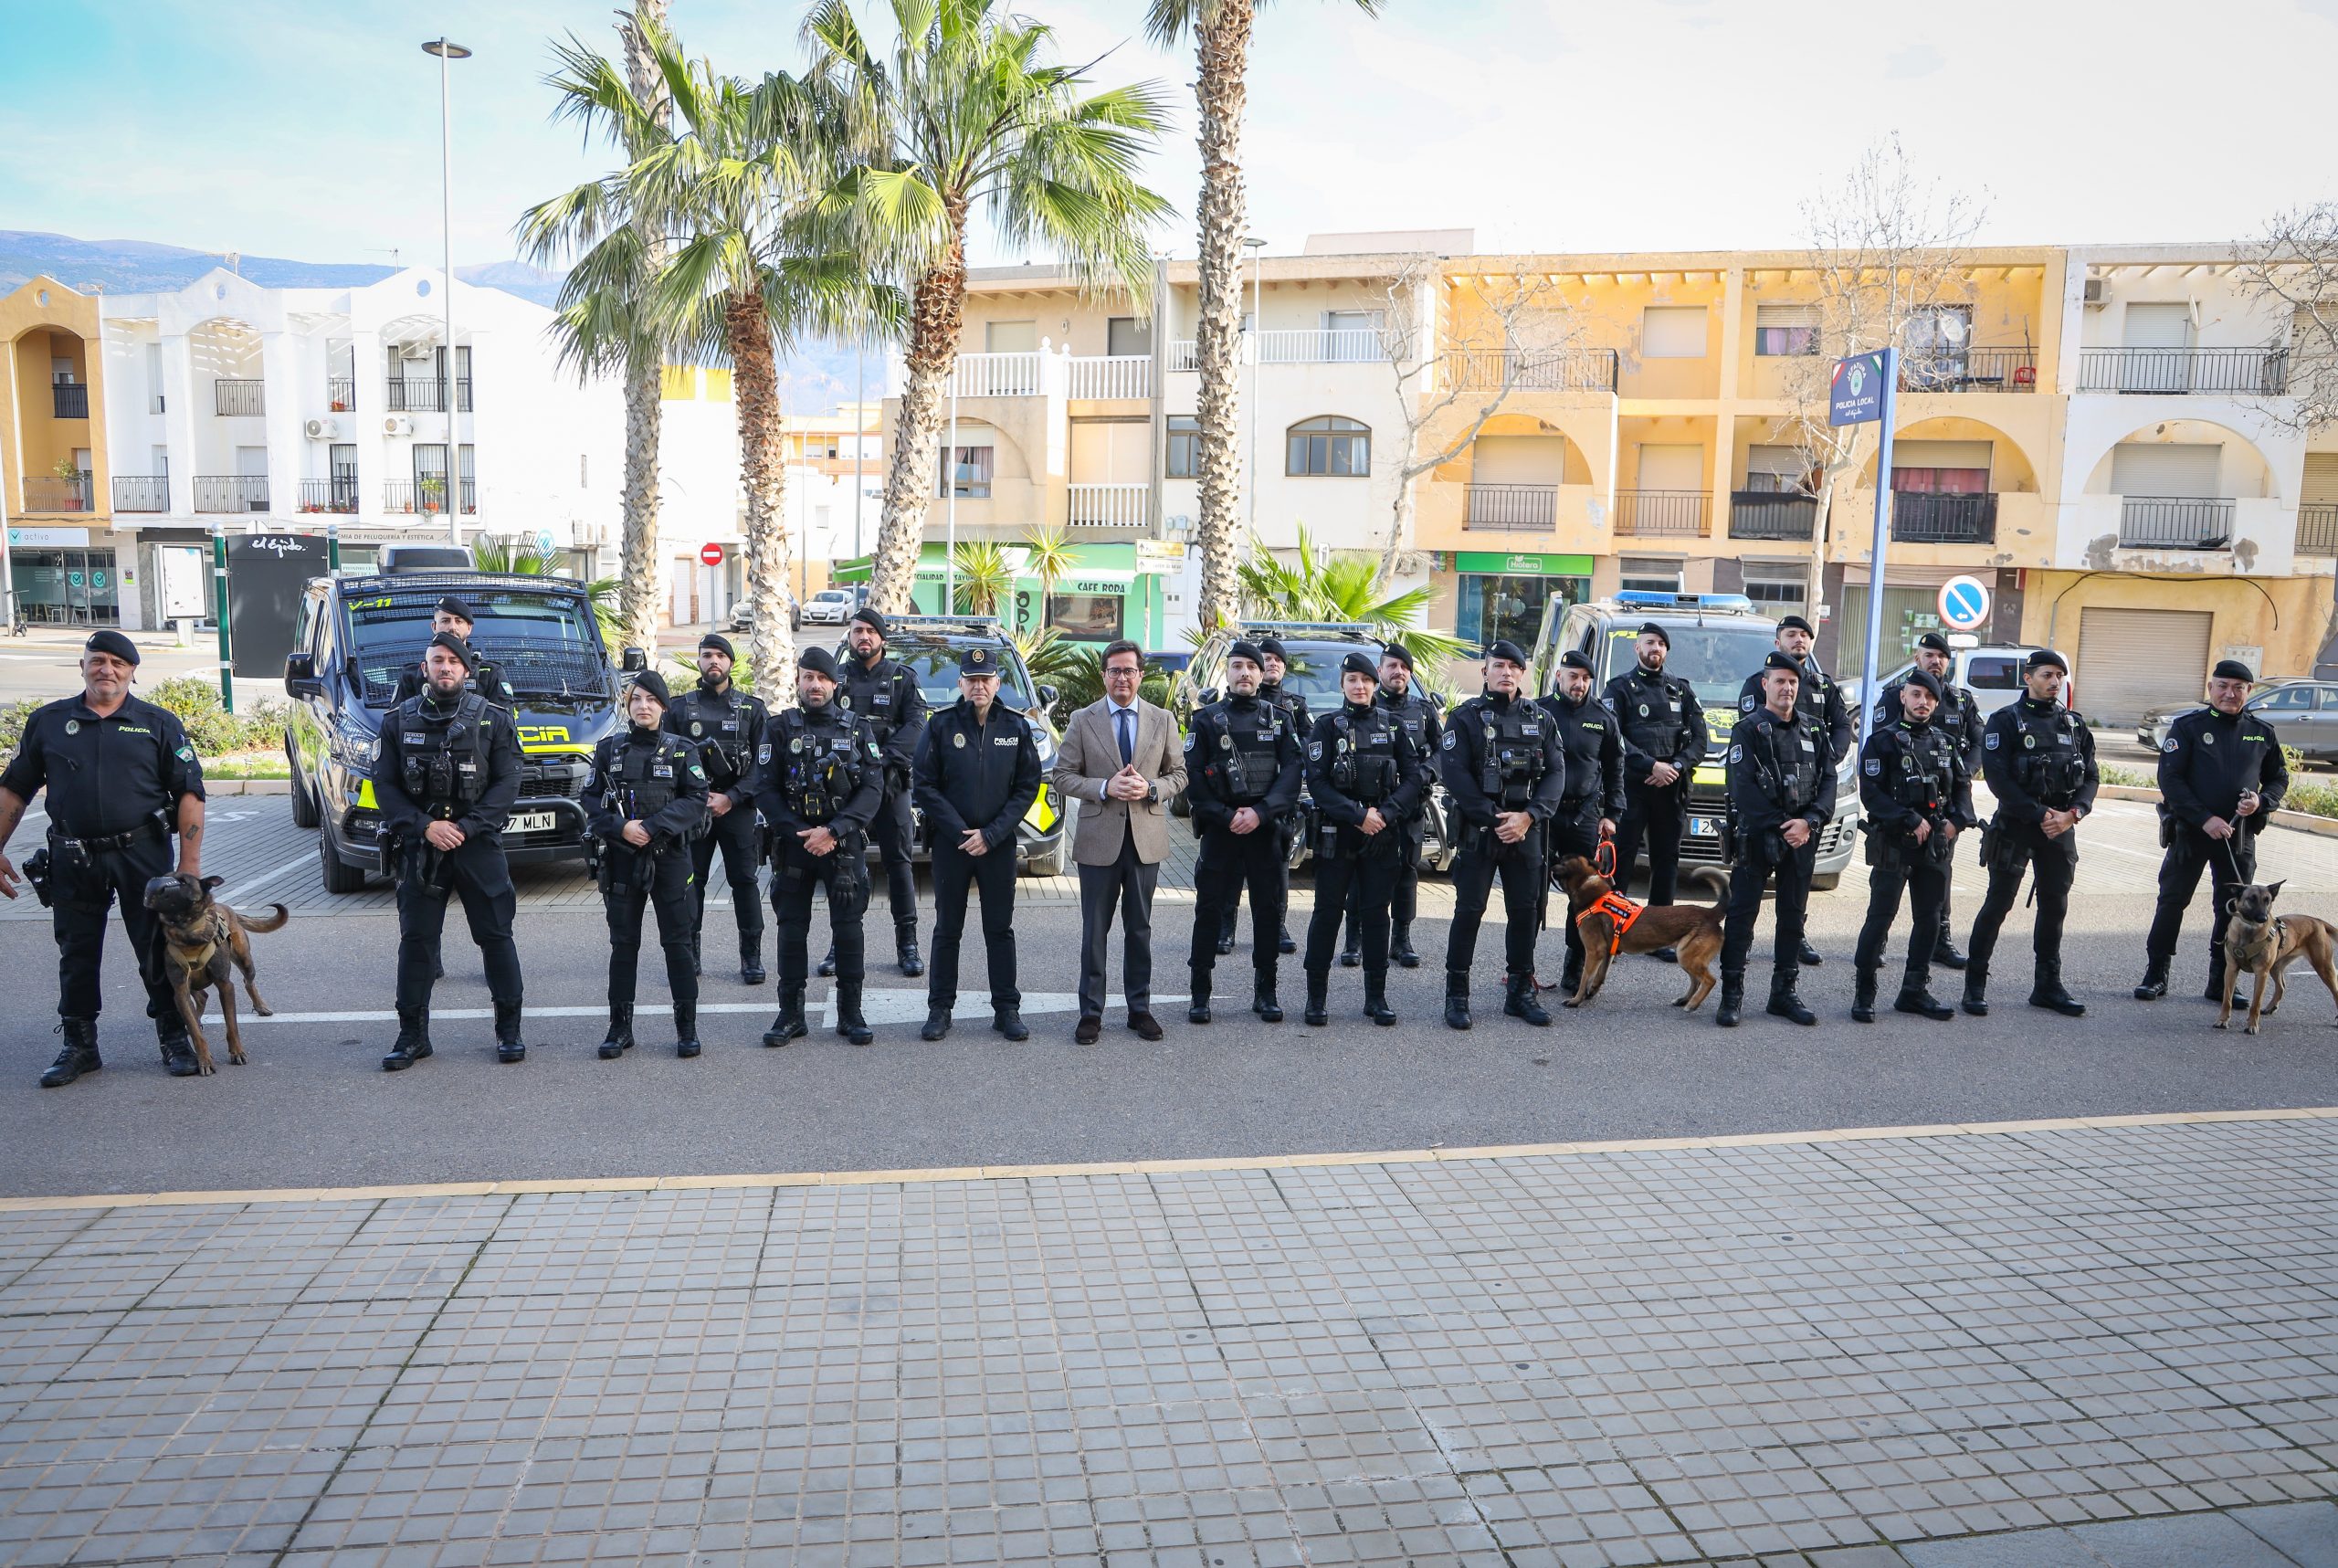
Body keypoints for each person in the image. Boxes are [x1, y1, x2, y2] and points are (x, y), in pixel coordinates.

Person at [0, 630, 208, 1087]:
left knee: (155, 948)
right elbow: (15, 788)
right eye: (98, 660)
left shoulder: (157, 723)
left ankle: (174, 1036)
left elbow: (190, 793)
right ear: (82, 666)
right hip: (73, 857)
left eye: (118, 663)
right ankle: (79, 1045)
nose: (106, 670)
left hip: (143, 856)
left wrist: (189, 867)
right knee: (76, 952)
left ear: (133, 672)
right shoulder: (49, 722)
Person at [372, 632, 528, 1070]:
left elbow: (508, 784)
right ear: (425, 669)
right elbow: (384, 785)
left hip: (477, 844)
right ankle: (412, 1036)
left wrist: (465, 827)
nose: (444, 668)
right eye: (436, 660)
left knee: (496, 937)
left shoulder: (493, 719)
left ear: (467, 670)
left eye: (452, 662)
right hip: (422, 847)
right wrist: (426, 826)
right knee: (417, 943)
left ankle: (509, 1032)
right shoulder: (397, 721)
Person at [1051, 639, 1185, 1044]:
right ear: (1104, 675)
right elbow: (1062, 776)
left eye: (1129, 670)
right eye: (1114, 671)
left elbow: (1180, 774)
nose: (1121, 677)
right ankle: (1090, 1012)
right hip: (1098, 839)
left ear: (1141, 675)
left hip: (1145, 839)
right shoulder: (1082, 718)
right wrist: (1105, 787)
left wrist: (1150, 789)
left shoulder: (1162, 720)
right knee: (1095, 929)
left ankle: (1139, 1009)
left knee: (1139, 928)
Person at [2136, 658, 2287, 1003]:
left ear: (2248, 692)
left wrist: (2261, 802)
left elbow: (2279, 777)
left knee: (2231, 907)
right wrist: (2205, 819)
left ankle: (2220, 982)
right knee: (2172, 902)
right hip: (2191, 831)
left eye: (2238, 688)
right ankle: (2156, 974)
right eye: (2223, 686)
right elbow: (2170, 780)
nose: (2229, 694)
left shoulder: (2262, 732)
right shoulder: (2188, 728)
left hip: (2238, 835)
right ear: (2211, 688)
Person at [756, 647, 885, 1047]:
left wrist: (833, 829)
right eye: (807, 677)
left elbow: (873, 789)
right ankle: (790, 1015)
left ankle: (852, 1013)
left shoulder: (857, 729)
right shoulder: (779, 729)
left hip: (842, 844)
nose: (814, 685)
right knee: (791, 930)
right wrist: (800, 831)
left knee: (849, 929)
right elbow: (765, 788)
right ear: (797, 681)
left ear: (835, 684)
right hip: (795, 845)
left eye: (822, 678)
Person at [916, 644, 1043, 1041]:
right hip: (953, 845)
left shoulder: (1017, 726)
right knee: (947, 928)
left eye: (985, 679)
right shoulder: (939, 725)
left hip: (998, 845)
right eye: (971, 680)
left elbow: (1027, 788)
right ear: (960, 683)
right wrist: (960, 833)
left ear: (997, 682)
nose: (978, 686)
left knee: (999, 929)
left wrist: (991, 834)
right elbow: (925, 785)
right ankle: (940, 1009)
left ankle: (1006, 1009)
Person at [1962, 650, 2095, 1018]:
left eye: (2059, 676)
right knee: (1998, 904)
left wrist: (2074, 814)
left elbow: (2092, 776)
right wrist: (2041, 814)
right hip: (2017, 825)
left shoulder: (2074, 725)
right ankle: (1974, 986)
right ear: (2028, 678)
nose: (2054, 682)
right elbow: (1998, 779)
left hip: (2061, 827)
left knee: (2054, 907)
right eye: (2047, 675)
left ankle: (2048, 986)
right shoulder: (2005, 721)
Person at [1439, 639, 1565, 1030]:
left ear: (1522, 674)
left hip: (1525, 830)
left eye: (1513, 666)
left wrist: (1529, 817)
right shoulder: (1463, 718)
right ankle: (1457, 996)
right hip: (1481, 829)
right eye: (1498, 666)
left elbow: (1556, 774)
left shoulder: (1541, 719)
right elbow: (1455, 776)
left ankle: (1520, 993)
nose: (1506, 672)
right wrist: (1496, 818)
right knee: (1470, 911)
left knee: (1526, 911)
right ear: (1485, 672)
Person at [587, 671, 709, 1060]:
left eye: (651, 700)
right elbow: (590, 803)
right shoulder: (608, 750)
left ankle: (686, 1028)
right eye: (636, 699)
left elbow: (696, 799)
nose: (643, 706)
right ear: (628, 704)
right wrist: (622, 827)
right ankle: (620, 1028)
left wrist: (653, 827)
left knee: (678, 944)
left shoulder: (681, 750)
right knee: (623, 945)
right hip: (623, 859)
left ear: (663, 707)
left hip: (669, 857)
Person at [1304, 652, 1430, 1027]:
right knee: (1327, 914)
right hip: (1338, 834)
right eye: (1352, 680)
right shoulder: (1326, 727)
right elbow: (1318, 783)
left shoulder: (1393, 726)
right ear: (1341, 684)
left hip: (1381, 836)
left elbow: (1413, 779)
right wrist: (1358, 815)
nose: (1359, 686)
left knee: (1377, 915)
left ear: (1375, 684)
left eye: (1365, 680)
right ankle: (1316, 998)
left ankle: (1376, 998)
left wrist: (1385, 814)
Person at [1183, 640, 1304, 1025]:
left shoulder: (1281, 719)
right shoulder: (1205, 721)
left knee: (1267, 915)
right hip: (1222, 832)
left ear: (1262, 672)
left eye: (1252, 667)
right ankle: (1200, 995)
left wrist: (1260, 812)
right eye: (1237, 667)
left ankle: (1265, 993)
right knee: (1208, 913)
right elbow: (1194, 781)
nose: (1245, 674)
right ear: (1228, 673)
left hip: (1265, 831)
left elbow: (1291, 775)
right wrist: (1227, 815)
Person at [1716, 653, 1838, 1028]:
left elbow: (1829, 780)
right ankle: (1731, 996)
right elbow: (1742, 786)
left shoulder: (1815, 730)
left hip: (1802, 838)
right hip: (1758, 837)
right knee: (1741, 917)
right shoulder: (1748, 729)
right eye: (1779, 681)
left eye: (1793, 682)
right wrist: (1785, 824)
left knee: (1791, 918)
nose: (1787, 688)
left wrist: (1811, 821)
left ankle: (1783, 994)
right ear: (1765, 685)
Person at [1849, 670, 1973, 1023]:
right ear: (1903, 697)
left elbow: (1962, 790)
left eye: (1929, 698)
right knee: (1880, 917)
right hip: (1894, 842)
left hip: (1934, 845)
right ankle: (1864, 992)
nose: (1923, 703)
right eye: (1916, 695)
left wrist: (1956, 822)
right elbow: (1872, 794)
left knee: (1930, 918)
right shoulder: (1882, 742)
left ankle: (1914, 990)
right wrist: (1908, 818)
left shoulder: (1945, 742)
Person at [1736, 615, 1853, 968]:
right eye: (1792, 634)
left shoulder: (1823, 685)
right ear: (1778, 642)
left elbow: (1842, 725)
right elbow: (1750, 744)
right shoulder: (1758, 685)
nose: (1799, 640)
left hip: (1804, 810)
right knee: (1745, 902)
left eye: (1805, 634)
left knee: (1794, 898)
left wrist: (1828, 758)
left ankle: (1793, 947)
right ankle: (1737, 966)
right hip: (1765, 813)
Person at [826, 607, 929, 978]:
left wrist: (879, 760)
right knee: (845, 865)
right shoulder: (835, 679)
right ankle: (841, 944)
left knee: (899, 864)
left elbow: (917, 727)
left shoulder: (903, 678)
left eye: (870, 631)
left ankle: (908, 946)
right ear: (849, 638)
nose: (863, 637)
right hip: (845, 786)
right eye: (857, 632)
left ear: (882, 638)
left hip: (890, 784)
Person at [1871, 633, 1985, 970]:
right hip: (1900, 811)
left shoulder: (1961, 701)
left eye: (1942, 656)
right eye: (1929, 655)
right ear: (1916, 658)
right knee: (1888, 884)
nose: (1936, 661)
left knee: (1940, 877)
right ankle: (1878, 942)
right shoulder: (1895, 696)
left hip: (1943, 806)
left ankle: (1940, 941)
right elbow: (1879, 745)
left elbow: (1978, 743)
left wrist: (1963, 773)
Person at [666, 634, 769, 986]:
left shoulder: (752, 709)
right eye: (707, 655)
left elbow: (764, 766)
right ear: (698, 661)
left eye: (720, 656)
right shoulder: (678, 709)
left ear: (730, 663)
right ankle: (690, 954)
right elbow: (665, 760)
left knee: (745, 882)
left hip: (736, 807)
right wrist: (695, 798)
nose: (714, 661)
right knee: (690, 883)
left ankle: (751, 957)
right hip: (692, 810)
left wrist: (732, 797)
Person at [1601, 622, 1703, 960]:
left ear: (1666, 650)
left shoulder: (1681, 690)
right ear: (1637, 648)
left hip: (1670, 788)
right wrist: (1650, 766)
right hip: (1633, 786)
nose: (1654, 648)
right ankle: (1615, 931)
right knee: (1623, 858)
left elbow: (1700, 738)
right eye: (1649, 643)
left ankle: (1660, 936)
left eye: (1660, 643)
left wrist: (1674, 767)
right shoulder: (1619, 688)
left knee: (1666, 860)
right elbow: (1614, 737)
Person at [1339, 644, 1442, 969]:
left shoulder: (1423, 710)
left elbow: (1444, 752)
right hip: (1369, 810)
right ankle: (1354, 939)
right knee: (1358, 874)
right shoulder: (1365, 704)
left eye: (1404, 667)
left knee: (1407, 872)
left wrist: (1427, 772)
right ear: (1379, 672)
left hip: (1409, 807)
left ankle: (1401, 939)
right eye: (1392, 666)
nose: (1399, 672)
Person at [1538, 649, 1626, 996]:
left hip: (1585, 816)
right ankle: (1521, 971)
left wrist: (1612, 814)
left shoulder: (1603, 717)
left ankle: (1574, 967)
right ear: (1559, 676)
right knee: (1531, 892)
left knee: (1586, 898)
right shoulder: (1539, 710)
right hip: (1543, 814)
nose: (1580, 684)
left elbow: (1616, 768)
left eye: (1586, 678)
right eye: (1573, 676)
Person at [1216, 637, 1310, 956]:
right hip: (1231, 811)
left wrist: (1268, 808)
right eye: (1261, 660)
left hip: (1272, 810)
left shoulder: (1289, 709)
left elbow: (1300, 756)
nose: (1268, 665)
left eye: (1273, 660)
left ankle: (1277, 925)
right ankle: (1225, 928)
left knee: (1276, 873)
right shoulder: (1216, 715)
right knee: (1229, 874)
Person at [393, 595, 515, 708]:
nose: (452, 627)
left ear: (469, 628)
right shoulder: (411, 676)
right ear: (434, 627)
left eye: (459, 621)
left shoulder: (490, 674)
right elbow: (396, 724)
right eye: (445, 621)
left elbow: (503, 726)